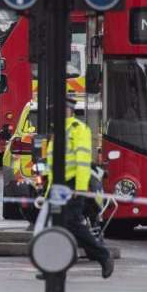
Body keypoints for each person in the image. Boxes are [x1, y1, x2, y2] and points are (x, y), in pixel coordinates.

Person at [47, 97, 114, 279]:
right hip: (58, 186)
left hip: (72, 184)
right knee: (54, 226)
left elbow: (83, 161)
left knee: (72, 224)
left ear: (68, 110)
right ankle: (54, 267)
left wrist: (80, 188)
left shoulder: (78, 129)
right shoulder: (57, 131)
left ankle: (103, 255)